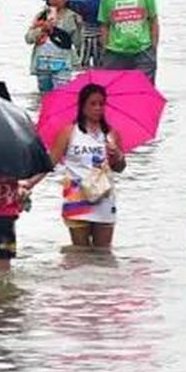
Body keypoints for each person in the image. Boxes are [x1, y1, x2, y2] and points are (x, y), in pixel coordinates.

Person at [47, 83, 126, 249]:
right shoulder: (69, 132)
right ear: (82, 106)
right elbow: (49, 163)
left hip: (104, 196)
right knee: (80, 253)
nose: (98, 108)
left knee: (103, 254)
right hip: (76, 195)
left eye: (101, 104)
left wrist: (117, 155)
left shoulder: (111, 134)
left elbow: (119, 168)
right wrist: (27, 183)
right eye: (93, 104)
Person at [97, 0, 159, 82]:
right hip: (115, 52)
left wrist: (153, 47)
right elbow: (104, 24)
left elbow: (154, 21)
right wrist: (104, 48)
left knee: (143, 91)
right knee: (113, 91)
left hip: (143, 50)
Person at [24, 0, 82, 92]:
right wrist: (42, 29)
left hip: (63, 64)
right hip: (43, 64)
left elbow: (77, 43)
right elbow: (28, 38)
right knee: (45, 97)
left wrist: (79, 27)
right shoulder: (41, 16)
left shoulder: (72, 17)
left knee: (61, 95)